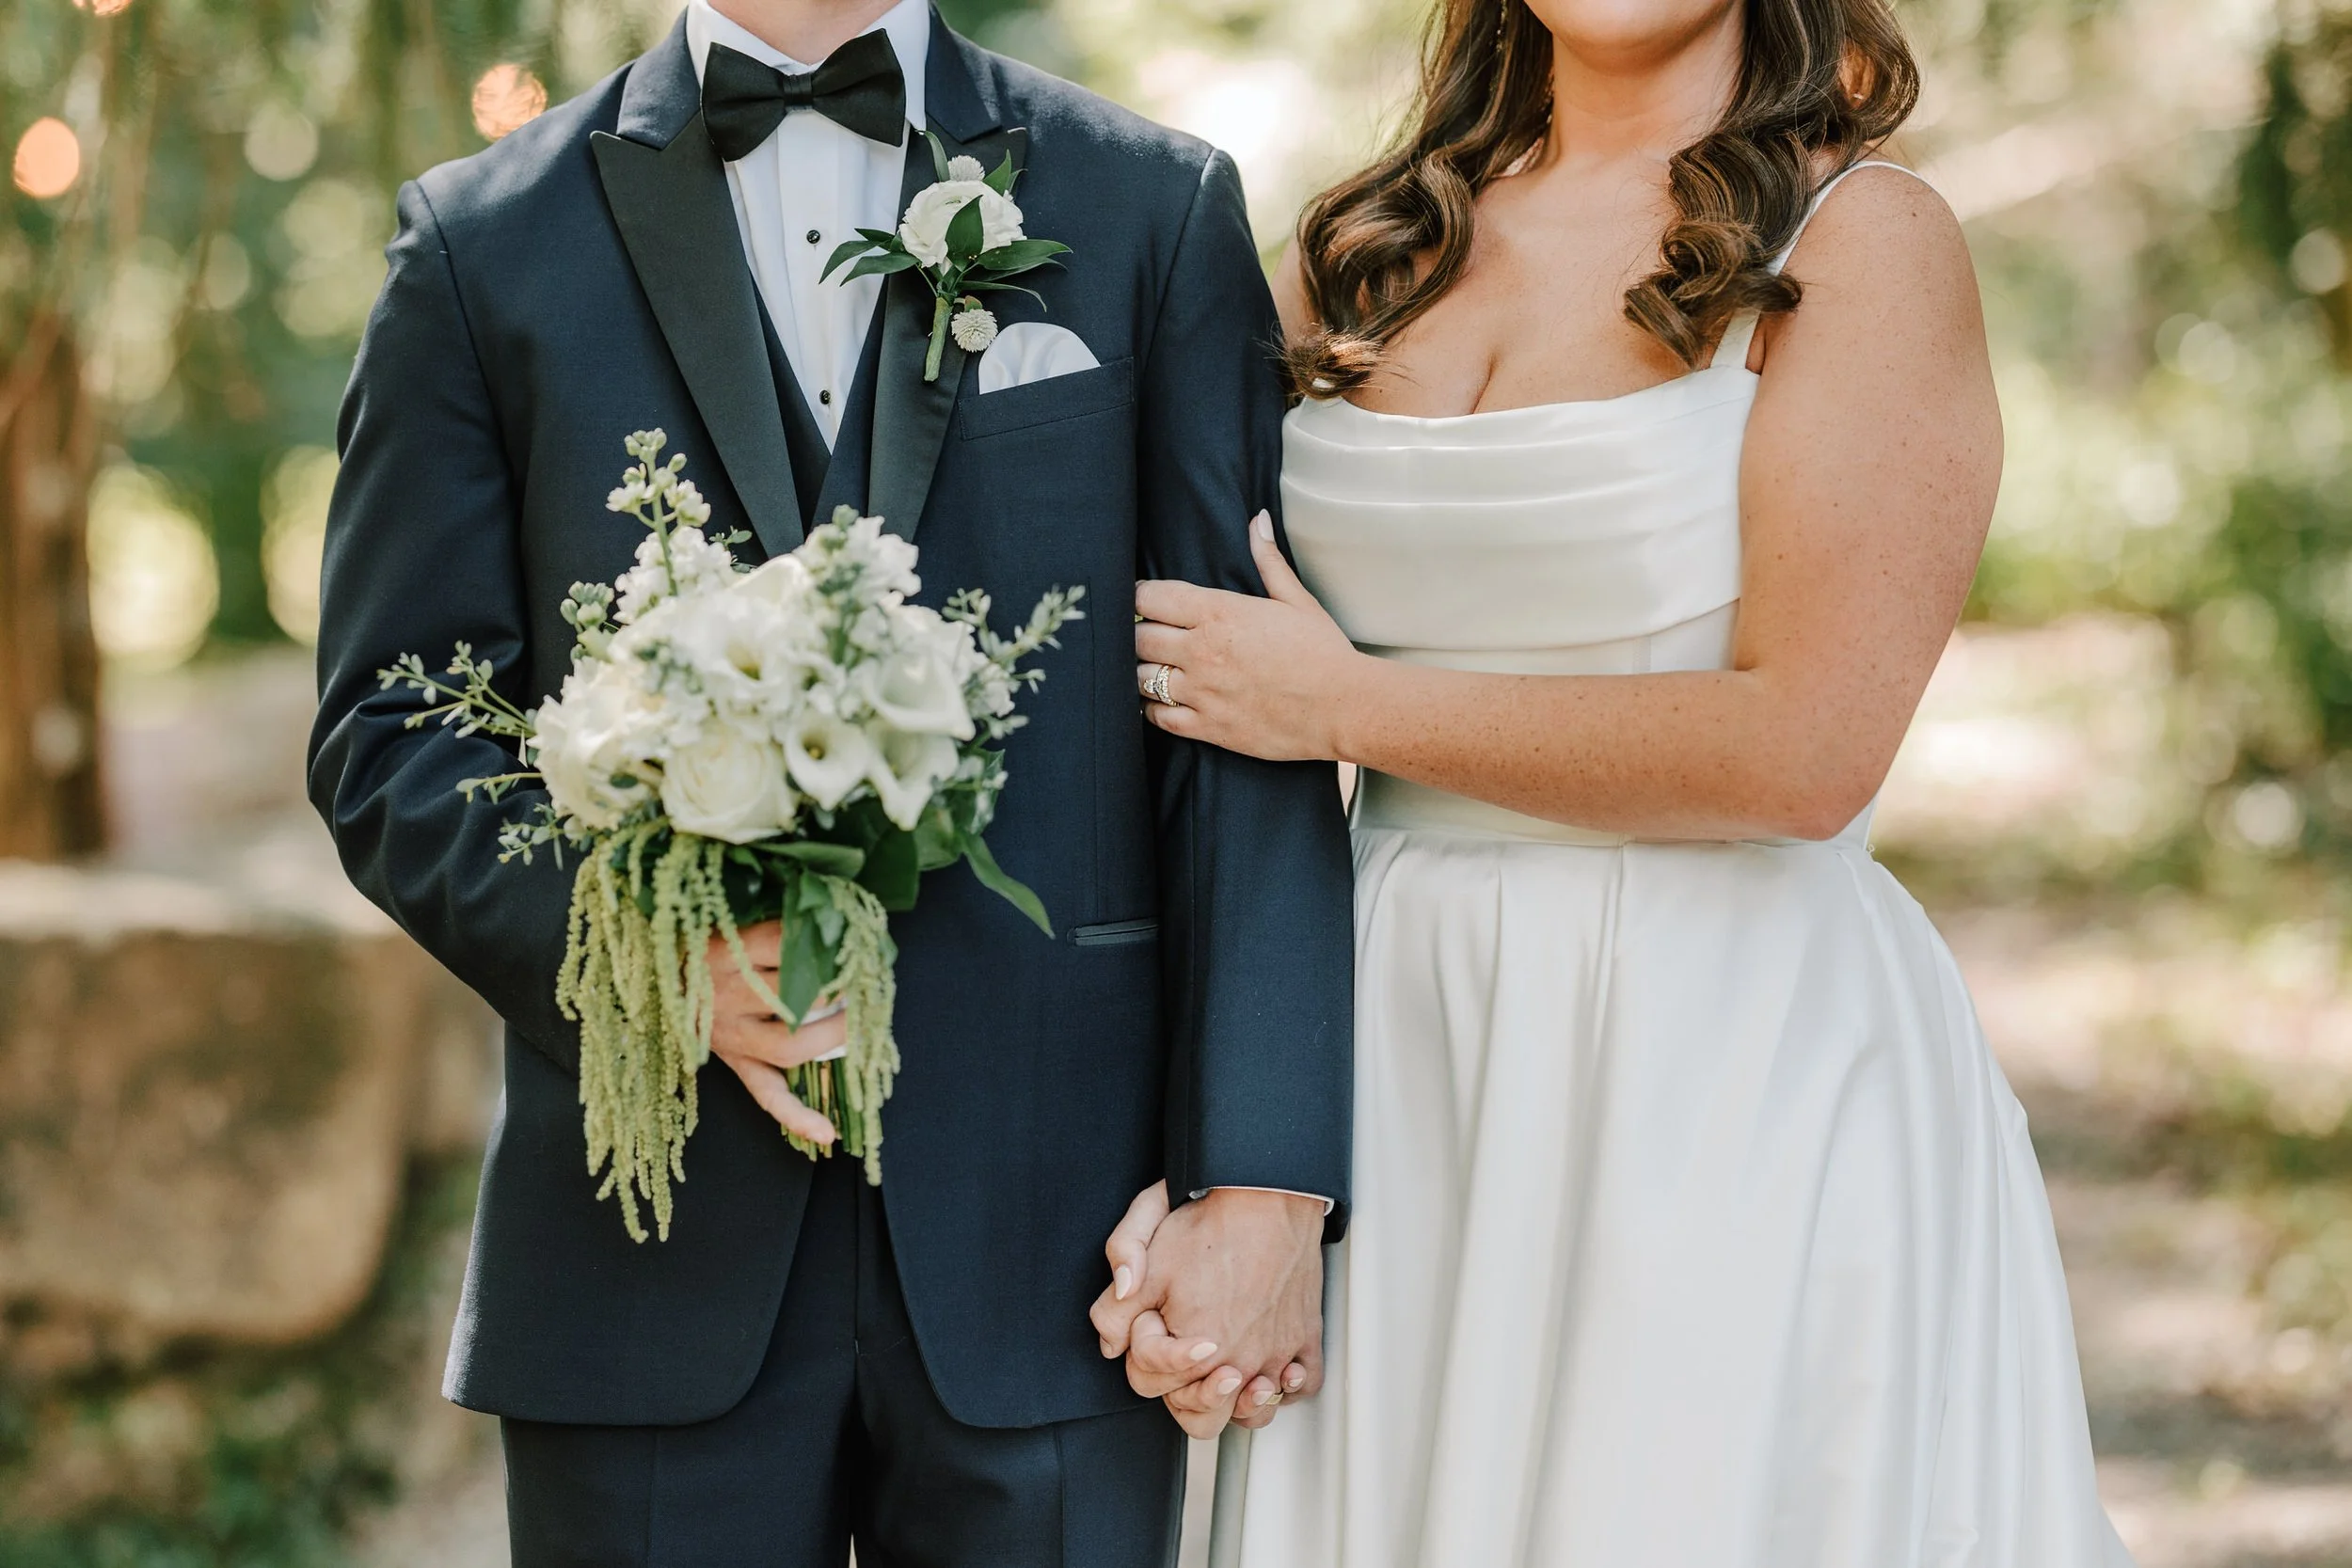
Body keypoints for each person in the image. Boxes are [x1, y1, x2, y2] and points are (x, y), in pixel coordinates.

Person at [305, 1, 1355, 1561]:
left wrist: (1265, 1173)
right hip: (646, 1264)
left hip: (1062, 1248)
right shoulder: (479, 247)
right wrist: (655, 956)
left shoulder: (1150, 207)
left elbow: (1240, 706)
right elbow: (394, 733)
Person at [1092, 0, 2140, 1560]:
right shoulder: (1362, 243)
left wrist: (1352, 708)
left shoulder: (1865, 238)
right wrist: (1209, 1138)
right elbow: (1181, 720)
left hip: (1718, 1061)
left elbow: (1805, 750)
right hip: (1383, 1051)